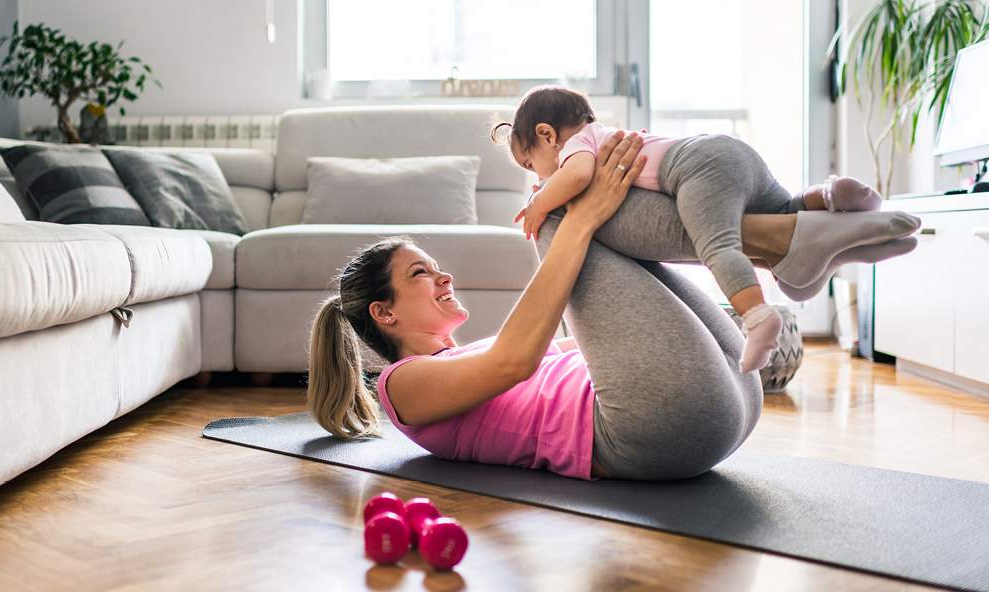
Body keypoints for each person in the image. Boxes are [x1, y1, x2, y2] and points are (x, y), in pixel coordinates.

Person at [307, 131, 920, 481]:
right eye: (420, 273)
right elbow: (517, 362)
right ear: (383, 314)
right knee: (551, 217)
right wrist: (580, 210)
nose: (442, 274)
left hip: (721, 402)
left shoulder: (460, 358)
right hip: (655, 428)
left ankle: (788, 238)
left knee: (576, 211)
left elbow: (604, 329)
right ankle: (781, 238)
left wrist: (597, 208)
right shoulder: (402, 387)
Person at [490, 85, 891, 373]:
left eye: (531, 166)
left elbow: (575, 176)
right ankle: (831, 196)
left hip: (700, 167)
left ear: (547, 135)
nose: (537, 178)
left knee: (717, 245)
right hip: (734, 154)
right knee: (785, 209)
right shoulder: (601, 134)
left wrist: (539, 201)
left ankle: (757, 316)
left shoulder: (579, 147)